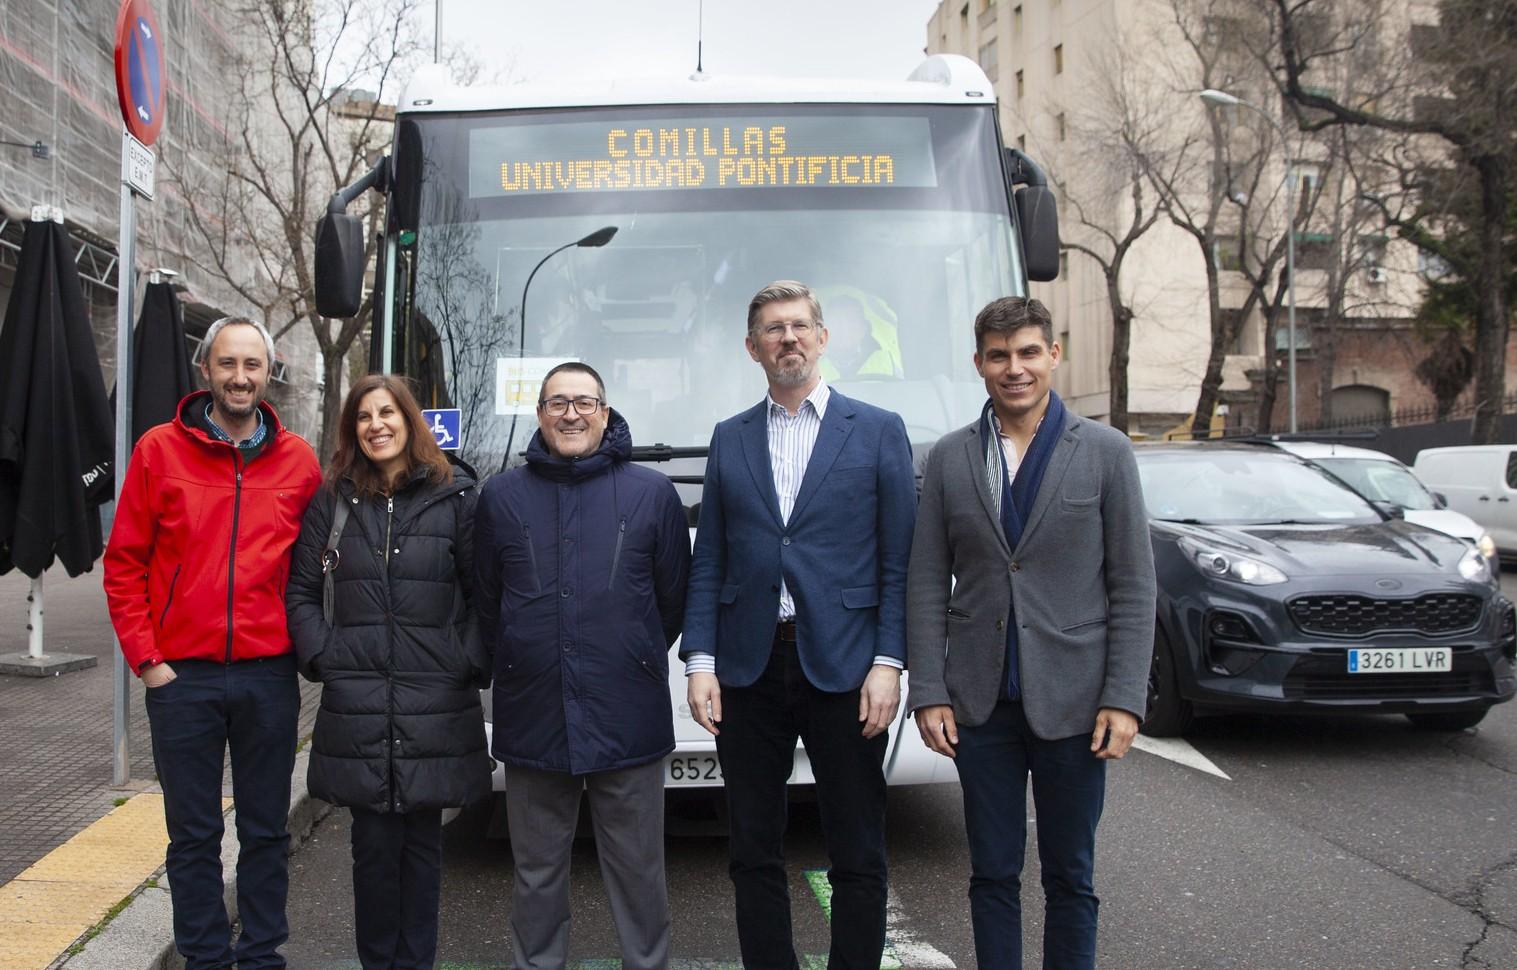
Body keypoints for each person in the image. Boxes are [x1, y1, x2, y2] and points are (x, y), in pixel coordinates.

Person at [905, 296, 1156, 970]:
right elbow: (926, 581)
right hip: (979, 704)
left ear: (1053, 355)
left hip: (1076, 703)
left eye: (1026, 353)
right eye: (998, 356)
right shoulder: (949, 458)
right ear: (978, 363)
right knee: (991, 872)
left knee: (1070, 873)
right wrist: (927, 689)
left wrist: (1124, 698)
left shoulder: (1105, 453)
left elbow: (1133, 585)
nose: (1013, 368)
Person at [683, 280, 916, 970]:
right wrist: (700, 662)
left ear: (821, 337)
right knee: (753, 847)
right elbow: (711, 561)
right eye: (772, 330)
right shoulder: (730, 438)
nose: (787, 338)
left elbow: (898, 562)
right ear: (751, 348)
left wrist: (889, 662)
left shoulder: (876, 430)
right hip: (749, 668)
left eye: (798, 326)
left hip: (845, 667)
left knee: (856, 845)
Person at [103, 316, 322, 970]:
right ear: (206, 370)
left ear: (268, 373)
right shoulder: (158, 450)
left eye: (252, 365)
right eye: (227, 364)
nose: (239, 377)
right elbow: (124, 564)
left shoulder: (299, 462)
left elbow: (316, 568)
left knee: (264, 831)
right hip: (181, 679)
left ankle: (259, 956)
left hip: (267, 677)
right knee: (192, 836)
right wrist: (148, 661)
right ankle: (203, 958)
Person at [474, 361, 690, 970]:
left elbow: (672, 600)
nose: (571, 413)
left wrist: (633, 652)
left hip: (627, 712)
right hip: (534, 713)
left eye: (584, 402)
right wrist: (518, 660)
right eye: (558, 403)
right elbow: (487, 602)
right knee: (537, 874)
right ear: (539, 414)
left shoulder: (652, 493)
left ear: (605, 411)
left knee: (639, 871)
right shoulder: (501, 497)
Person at [285, 374, 490, 970]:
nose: (376, 425)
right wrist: (325, 656)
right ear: (353, 430)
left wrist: (467, 660)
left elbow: (485, 596)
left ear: (409, 420)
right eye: (363, 417)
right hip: (359, 700)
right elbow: (300, 592)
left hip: (436, 701)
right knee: (372, 852)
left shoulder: (457, 498)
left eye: (387, 413)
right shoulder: (334, 501)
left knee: (424, 851)